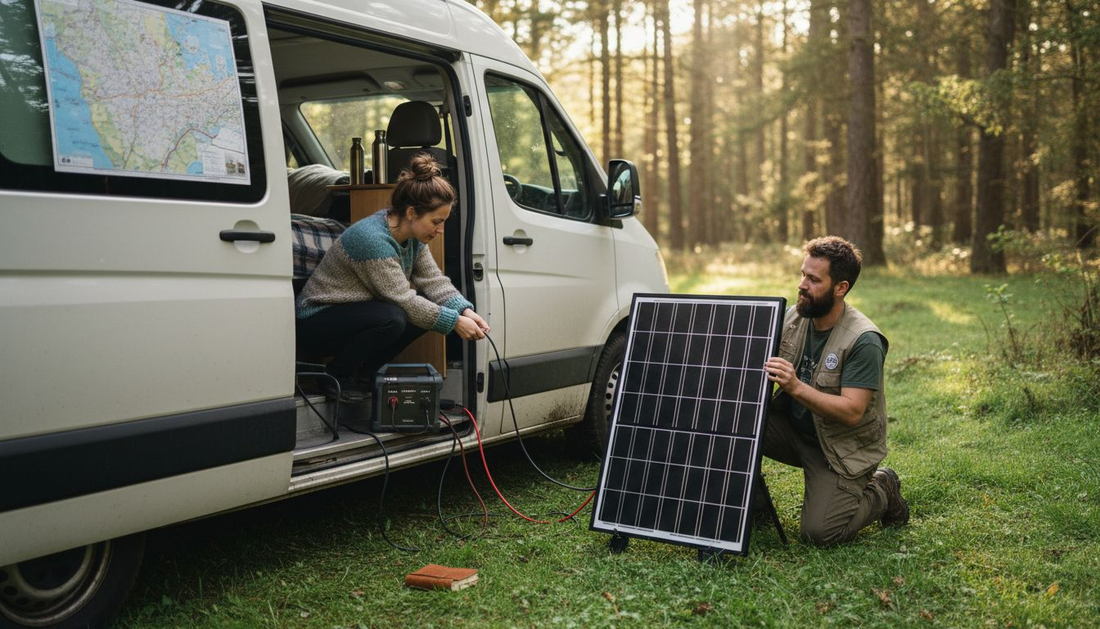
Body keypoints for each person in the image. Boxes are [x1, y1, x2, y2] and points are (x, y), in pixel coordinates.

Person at [296, 153, 488, 402]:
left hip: (353, 315)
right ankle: (336, 376)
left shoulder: (412, 239)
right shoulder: (372, 240)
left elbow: (433, 281)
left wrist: (464, 311)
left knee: (420, 312)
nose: (441, 230)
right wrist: (453, 323)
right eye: (437, 222)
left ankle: (366, 375)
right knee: (395, 316)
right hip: (317, 320)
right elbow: (403, 300)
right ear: (411, 212)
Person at [762, 236, 908, 545]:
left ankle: (883, 489)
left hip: (840, 449)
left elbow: (853, 412)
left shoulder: (863, 340)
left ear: (840, 288)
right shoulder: (794, 318)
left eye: (814, 279)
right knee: (733, 422)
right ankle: (751, 506)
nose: (802, 285)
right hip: (793, 433)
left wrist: (795, 386)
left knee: (819, 534)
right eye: (803, 274)